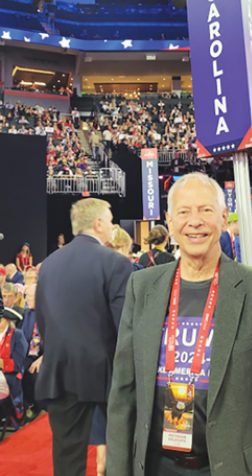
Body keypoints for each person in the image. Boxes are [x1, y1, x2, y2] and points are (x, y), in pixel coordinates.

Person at [107, 172, 252, 476]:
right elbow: (124, 391)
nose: (194, 222)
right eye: (184, 212)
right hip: (156, 466)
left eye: (205, 210)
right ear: (170, 223)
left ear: (223, 218)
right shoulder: (142, 286)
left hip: (228, 467)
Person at [36, 197, 134, 476]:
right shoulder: (115, 262)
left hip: (59, 371)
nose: (113, 225)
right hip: (108, 373)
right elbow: (124, 324)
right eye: (111, 220)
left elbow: (43, 320)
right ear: (99, 223)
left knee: (67, 459)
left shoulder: (48, 265)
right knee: (124, 447)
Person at [21, 283, 44, 418]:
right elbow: (24, 337)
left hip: (45, 355)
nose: (25, 300)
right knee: (17, 370)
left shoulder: (50, 313)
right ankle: (24, 407)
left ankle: (41, 408)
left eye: (28, 296)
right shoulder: (28, 313)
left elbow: (57, 342)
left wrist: (42, 359)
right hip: (29, 353)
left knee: (35, 374)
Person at [0, 306, 28, 415]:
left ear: (7, 320)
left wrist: (2, 363)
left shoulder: (17, 335)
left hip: (9, 376)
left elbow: (17, 364)